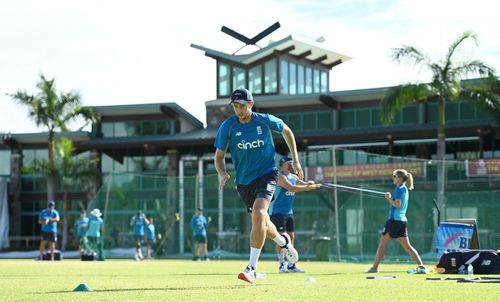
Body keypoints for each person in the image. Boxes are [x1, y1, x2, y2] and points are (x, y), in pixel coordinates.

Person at [214, 87, 302, 284]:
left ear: (251, 104)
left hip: (267, 174)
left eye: (242, 106)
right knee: (263, 222)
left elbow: (286, 130)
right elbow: (219, 157)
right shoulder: (227, 127)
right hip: (243, 182)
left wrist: (295, 159)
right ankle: (283, 241)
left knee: (259, 213)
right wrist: (222, 173)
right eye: (235, 106)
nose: (239, 110)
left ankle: (251, 268)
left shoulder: (264, 120)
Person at [367, 169, 427, 274]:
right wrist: (391, 198)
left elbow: (397, 205)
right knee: (408, 246)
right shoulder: (403, 188)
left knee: (382, 244)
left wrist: (389, 198)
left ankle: (374, 268)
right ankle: (421, 266)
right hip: (402, 221)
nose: (393, 178)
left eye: (394, 176)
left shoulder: (399, 189)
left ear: (399, 178)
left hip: (394, 221)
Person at [271, 156, 321, 273]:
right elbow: (292, 188)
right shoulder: (280, 176)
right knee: (282, 238)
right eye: (290, 163)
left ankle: (291, 265)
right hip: (278, 212)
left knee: (291, 237)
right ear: (284, 165)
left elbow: (302, 184)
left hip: (289, 212)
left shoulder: (293, 177)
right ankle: (281, 265)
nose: (292, 165)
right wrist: (308, 187)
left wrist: (310, 184)